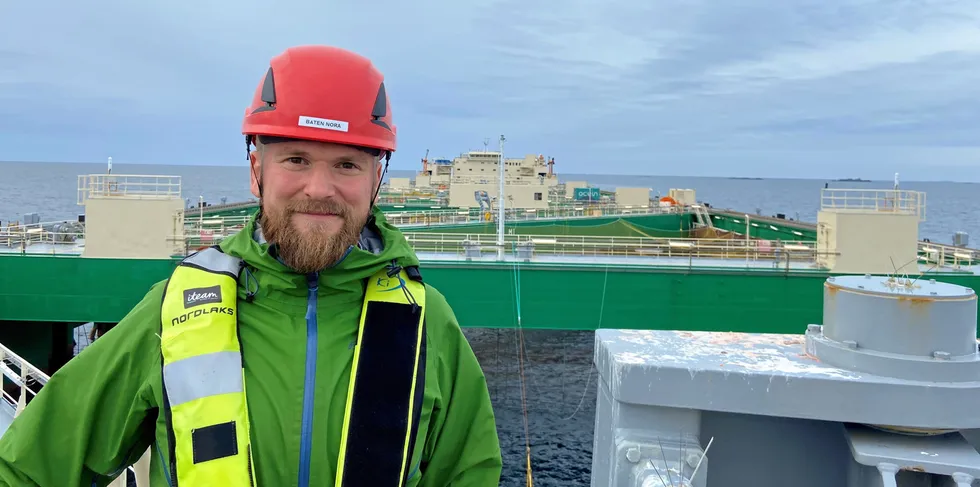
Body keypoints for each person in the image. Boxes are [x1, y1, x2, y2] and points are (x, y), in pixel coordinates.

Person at [0, 45, 502, 486]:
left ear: (376, 181)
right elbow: (31, 465)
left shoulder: (426, 322)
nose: (320, 189)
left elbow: (467, 472)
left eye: (347, 164)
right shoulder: (175, 310)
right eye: (296, 159)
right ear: (256, 170)